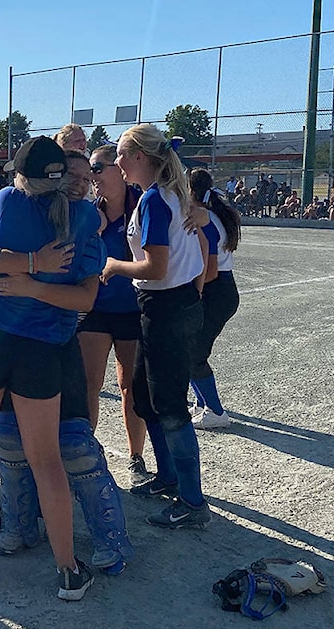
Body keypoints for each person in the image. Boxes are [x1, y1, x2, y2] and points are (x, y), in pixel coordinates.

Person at [0, 136, 104, 601]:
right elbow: (86, 300)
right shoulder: (84, 217)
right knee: (46, 458)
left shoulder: (4, 201)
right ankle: (67, 571)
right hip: (40, 345)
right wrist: (37, 278)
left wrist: (26, 278)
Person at [101, 124, 210, 529]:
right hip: (167, 304)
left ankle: (193, 502)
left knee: (170, 406)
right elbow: (196, 248)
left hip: (165, 307)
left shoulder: (154, 200)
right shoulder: (171, 195)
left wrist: (114, 267)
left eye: (122, 155)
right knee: (146, 398)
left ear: (141, 158)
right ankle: (169, 477)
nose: (117, 163)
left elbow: (155, 266)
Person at [0, 335, 134, 575]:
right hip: (55, 341)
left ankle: (16, 531)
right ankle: (110, 546)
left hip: (7, 341)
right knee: (75, 450)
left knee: (13, 444)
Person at [77, 144, 149, 491]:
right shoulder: (90, 213)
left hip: (133, 311)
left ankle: (136, 458)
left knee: (129, 388)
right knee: (90, 385)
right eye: (91, 171)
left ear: (119, 170)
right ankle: (85, 454)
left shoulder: (143, 206)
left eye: (98, 169)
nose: (93, 178)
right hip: (94, 309)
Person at [187, 169, 241, 431]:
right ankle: (202, 403)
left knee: (194, 353)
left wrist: (190, 292)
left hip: (215, 290)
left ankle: (216, 411)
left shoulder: (204, 219)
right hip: (220, 289)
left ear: (191, 192)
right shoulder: (212, 213)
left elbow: (209, 272)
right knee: (188, 349)